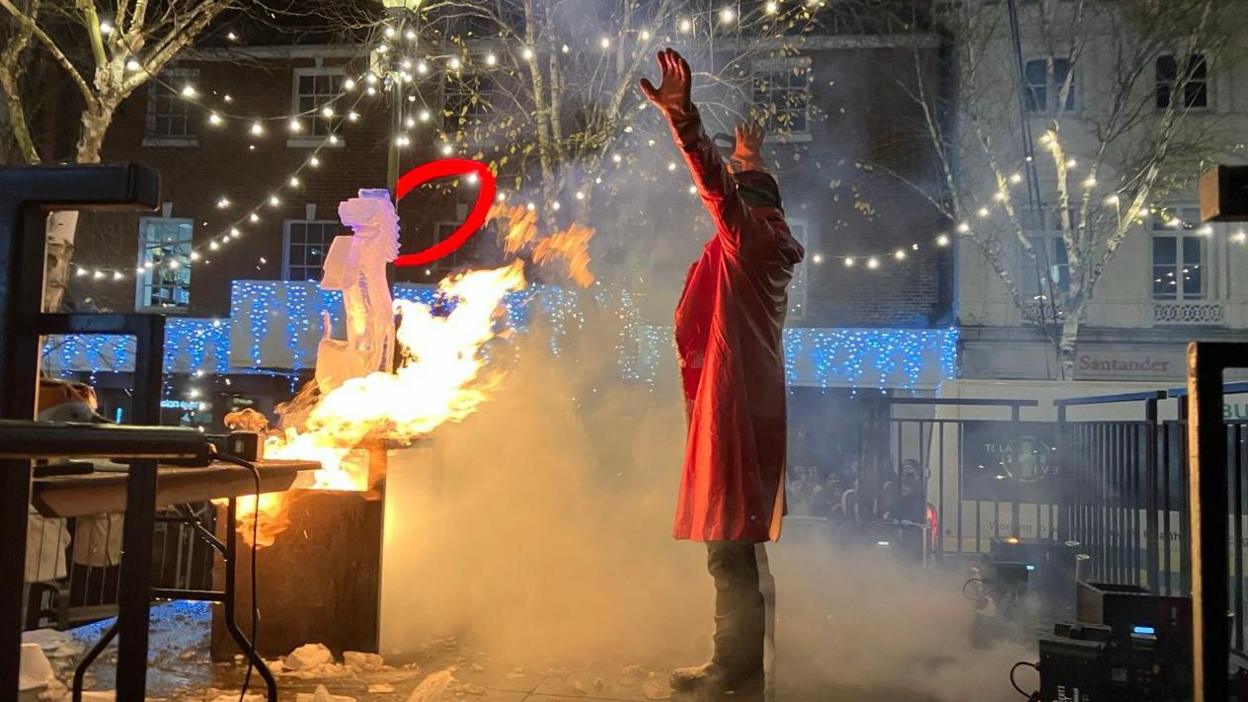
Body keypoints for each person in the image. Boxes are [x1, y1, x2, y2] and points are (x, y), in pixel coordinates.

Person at [639, 48, 804, 698]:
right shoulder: (769, 236)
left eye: (737, 195)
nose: (724, 208)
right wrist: (749, 155)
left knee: (728, 549)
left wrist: (684, 122)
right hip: (752, 407)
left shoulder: (747, 240)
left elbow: (714, 184)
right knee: (738, 547)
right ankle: (734, 666)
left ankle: (736, 678)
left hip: (735, 410)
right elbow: (741, 185)